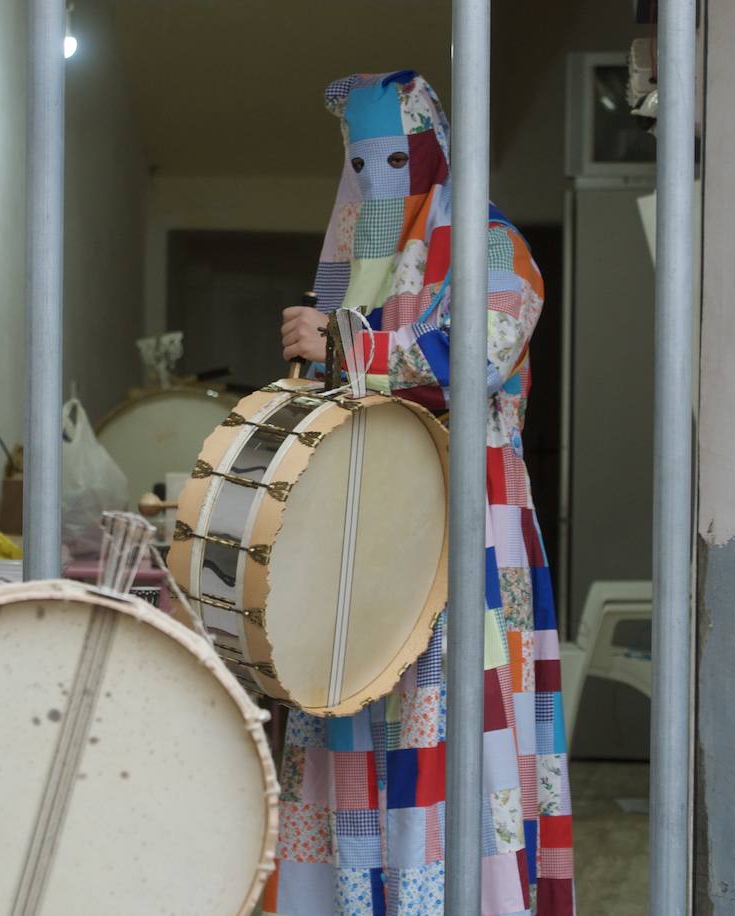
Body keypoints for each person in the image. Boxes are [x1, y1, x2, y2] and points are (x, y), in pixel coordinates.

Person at [270, 71, 575, 915]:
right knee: (351, 711)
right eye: (359, 162)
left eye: (397, 156)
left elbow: (473, 353)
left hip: (463, 528)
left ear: (437, 154)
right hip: (358, 536)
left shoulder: (494, 247)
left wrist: (345, 345)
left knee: (450, 718)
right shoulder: (353, 263)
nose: (377, 179)